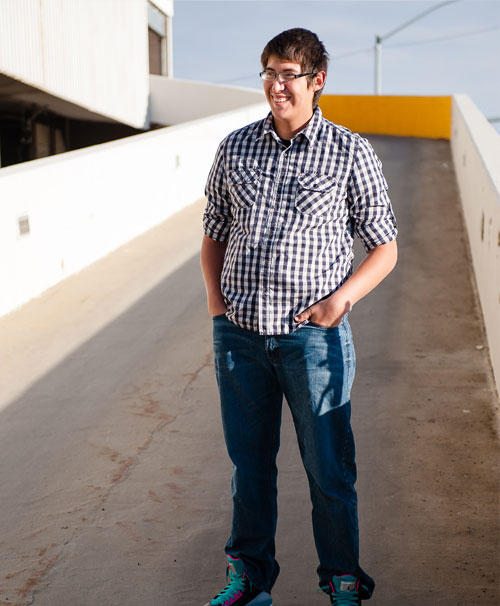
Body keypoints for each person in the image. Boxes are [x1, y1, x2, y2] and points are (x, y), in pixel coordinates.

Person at [200, 28, 397, 606]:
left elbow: (385, 246)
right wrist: (217, 305)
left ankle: (341, 580)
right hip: (239, 335)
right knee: (249, 468)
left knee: (329, 469)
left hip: (312, 340)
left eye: (288, 73)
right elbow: (214, 231)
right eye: (268, 72)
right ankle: (251, 580)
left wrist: (341, 301)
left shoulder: (349, 151)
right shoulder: (236, 147)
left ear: (318, 81)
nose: (276, 85)